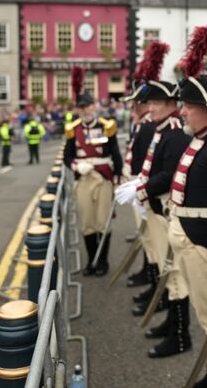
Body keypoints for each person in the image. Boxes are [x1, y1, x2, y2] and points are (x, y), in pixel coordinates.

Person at [155, 25, 207, 380]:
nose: (183, 111)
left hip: (203, 241)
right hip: (188, 234)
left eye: (189, 105)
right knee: (205, 313)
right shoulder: (202, 138)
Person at [114, 41, 191, 355]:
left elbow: (169, 174)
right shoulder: (161, 128)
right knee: (166, 270)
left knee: (174, 276)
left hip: (166, 209)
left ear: (171, 103)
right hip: (157, 207)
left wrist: (141, 190)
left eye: (157, 102)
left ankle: (180, 334)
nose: (150, 107)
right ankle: (172, 326)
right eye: (150, 101)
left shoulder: (172, 132)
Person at [64, 67, 123, 276]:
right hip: (83, 178)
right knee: (87, 223)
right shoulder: (73, 129)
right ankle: (91, 261)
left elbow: (116, 155)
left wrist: (117, 178)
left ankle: (103, 262)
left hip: (103, 178)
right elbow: (67, 157)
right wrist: (76, 166)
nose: (85, 110)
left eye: (87, 106)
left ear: (94, 106)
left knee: (103, 223)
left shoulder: (107, 126)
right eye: (81, 107)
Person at [121, 81, 157, 289]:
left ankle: (150, 277)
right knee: (145, 235)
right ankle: (147, 273)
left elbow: (144, 160)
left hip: (141, 183)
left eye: (136, 104)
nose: (133, 108)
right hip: (136, 182)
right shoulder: (142, 124)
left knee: (150, 237)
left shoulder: (148, 126)